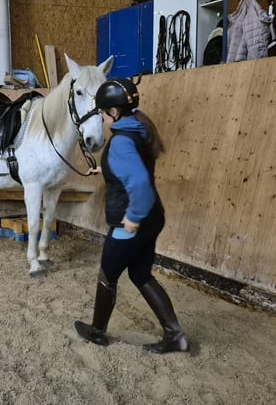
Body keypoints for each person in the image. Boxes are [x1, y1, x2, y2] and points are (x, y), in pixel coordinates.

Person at [74, 77, 190, 354]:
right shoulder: (137, 128)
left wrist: (133, 218)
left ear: (113, 112)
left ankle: (97, 332)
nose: (102, 118)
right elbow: (136, 166)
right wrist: (106, 170)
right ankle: (175, 336)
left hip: (132, 222)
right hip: (154, 218)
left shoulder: (120, 142)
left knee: (107, 275)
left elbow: (138, 183)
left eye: (103, 113)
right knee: (140, 275)